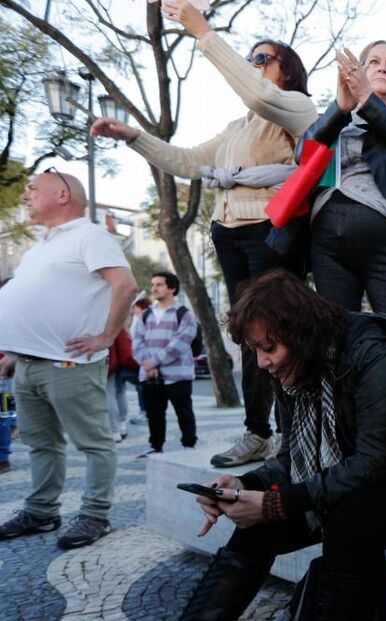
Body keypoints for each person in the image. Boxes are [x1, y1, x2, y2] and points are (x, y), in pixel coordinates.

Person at [91, 1, 318, 469]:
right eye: (250, 58)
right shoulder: (237, 128)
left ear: (288, 70)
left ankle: (293, 432)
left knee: (279, 331)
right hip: (228, 233)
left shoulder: (297, 108)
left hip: (270, 231)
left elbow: (260, 96)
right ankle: (257, 434)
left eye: (262, 59)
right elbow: (188, 161)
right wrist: (134, 137)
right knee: (250, 335)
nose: (253, 64)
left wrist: (205, 34)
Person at [180, 269, 386, 620]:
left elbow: (378, 461)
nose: (262, 362)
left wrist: (276, 503)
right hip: (342, 489)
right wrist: (243, 485)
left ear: (302, 334)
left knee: (347, 517)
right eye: (255, 351)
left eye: (269, 348)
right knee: (256, 528)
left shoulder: (378, 353)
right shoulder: (296, 366)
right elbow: (290, 457)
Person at [0, 170, 136, 548]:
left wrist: (106, 336)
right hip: (28, 365)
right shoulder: (40, 247)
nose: (25, 195)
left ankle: (95, 514)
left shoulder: (90, 235)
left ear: (62, 195)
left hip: (69, 363)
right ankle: (41, 512)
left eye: (32, 188)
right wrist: (15, 353)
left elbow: (125, 285)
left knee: (94, 443)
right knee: (40, 443)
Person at [293, 39, 386, 342]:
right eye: (373, 62)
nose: (382, 68)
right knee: (333, 343)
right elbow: (302, 155)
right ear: (359, 72)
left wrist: (368, 99)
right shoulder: (336, 121)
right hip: (327, 243)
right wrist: (340, 108)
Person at [132, 272, 198, 457]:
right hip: (150, 375)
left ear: (172, 288)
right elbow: (137, 342)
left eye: (159, 284)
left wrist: (154, 361)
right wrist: (147, 365)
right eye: (153, 284)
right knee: (154, 413)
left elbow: (180, 343)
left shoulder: (183, 314)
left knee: (183, 412)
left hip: (178, 375)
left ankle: (189, 445)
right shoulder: (146, 314)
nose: (154, 288)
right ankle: (155, 445)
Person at [106, 327, 137, 442]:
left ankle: (114, 430)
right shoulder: (115, 321)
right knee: (119, 391)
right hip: (117, 361)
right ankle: (122, 425)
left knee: (109, 394)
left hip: (106, 360)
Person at [128, 299, 152, 425]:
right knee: (142, 386)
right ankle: (146, 411)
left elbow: (135, 338)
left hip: (144, 359)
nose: (134, 311)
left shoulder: (142, 319)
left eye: (136, 308)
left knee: (143, 387)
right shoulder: (139, 319)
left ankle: (145, 412)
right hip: (142, 359)